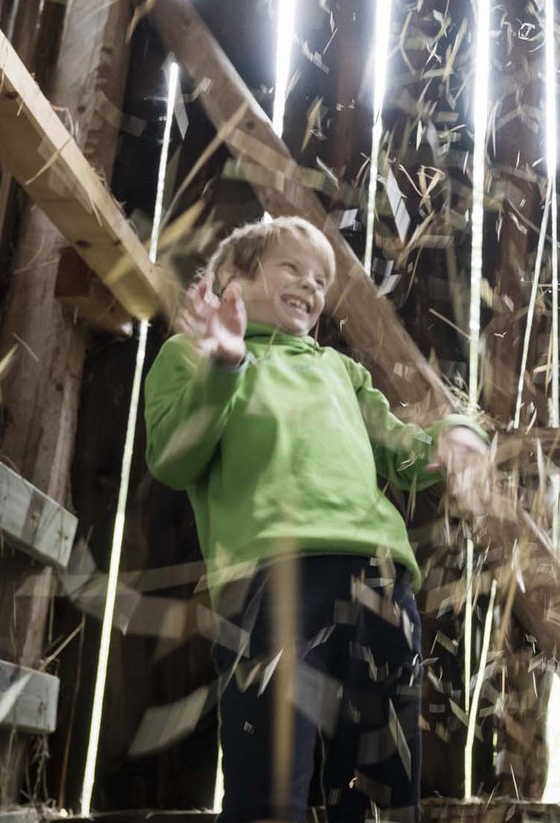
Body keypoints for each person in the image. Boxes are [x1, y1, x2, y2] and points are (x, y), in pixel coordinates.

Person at [145, 215, 492, 823]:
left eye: (322, 279)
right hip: (270, 582)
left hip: (379, 582)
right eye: (293, 267)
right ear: (233, 276)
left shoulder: (341, 372)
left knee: (382, 787)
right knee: (271, 790)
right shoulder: (191, 357)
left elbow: (405, 450)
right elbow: (174, 458)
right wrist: (221, 369)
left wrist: (458, 432)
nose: (313, 285)